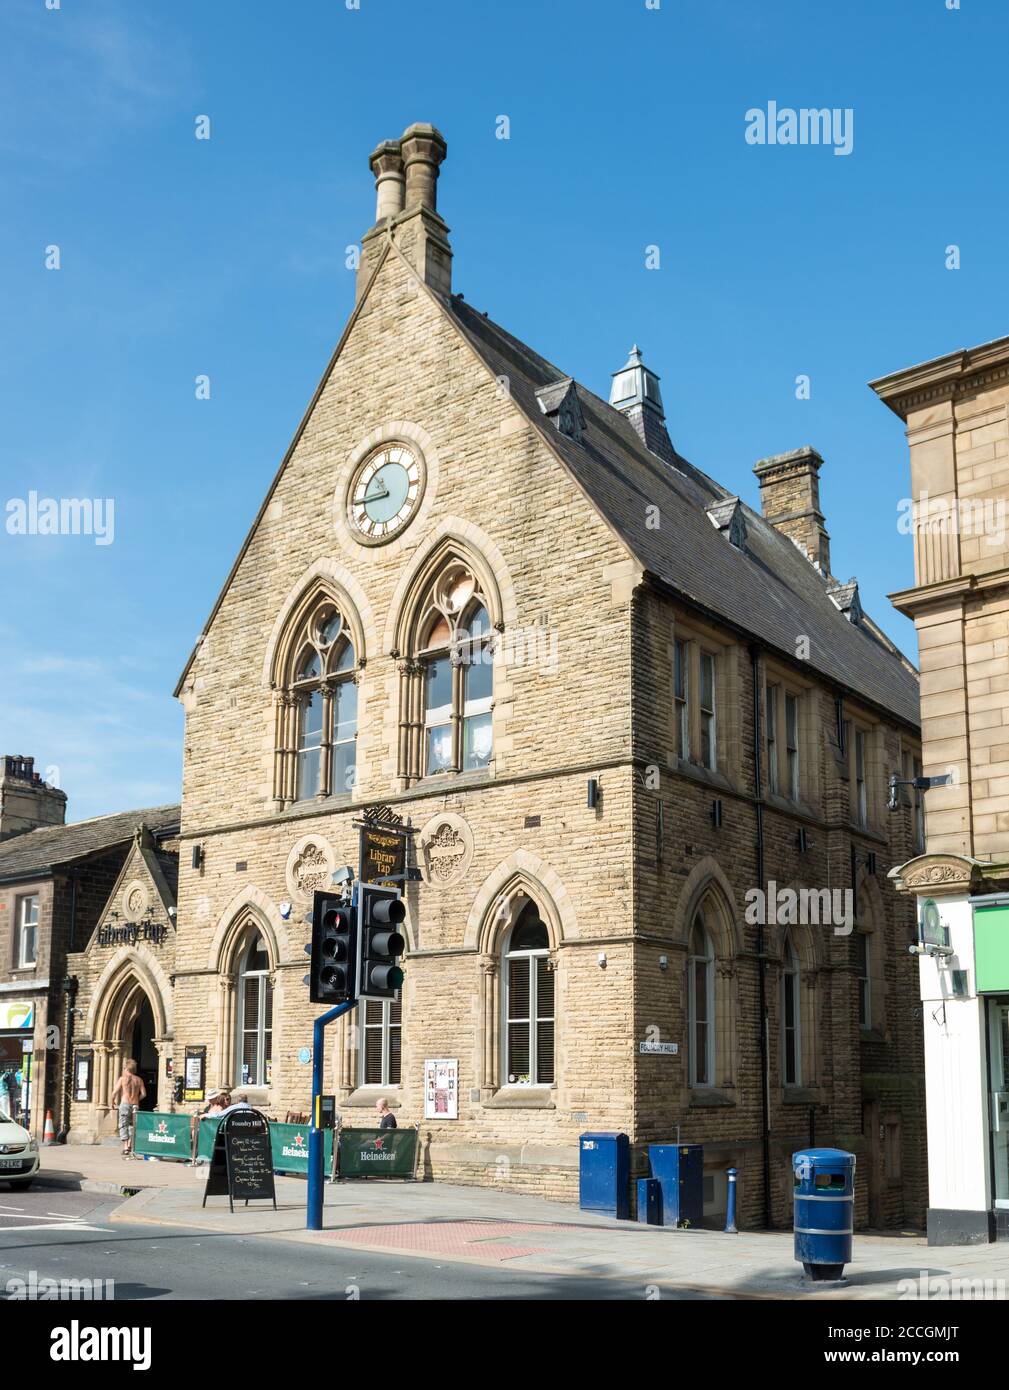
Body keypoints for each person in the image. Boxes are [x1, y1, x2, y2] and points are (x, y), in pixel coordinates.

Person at [110, 1059, 146, 1157]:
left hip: (125, 1103)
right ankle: (130, 1143)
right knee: (132, 1125)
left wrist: (112, 1102)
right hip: (135, 1104)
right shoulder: (139, 1080)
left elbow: (114, 1092)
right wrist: (137, 1099)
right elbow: (144, 1094)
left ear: (126, 1068)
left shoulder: (122, 1079)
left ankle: (126, 1147)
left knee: (123, 1125)